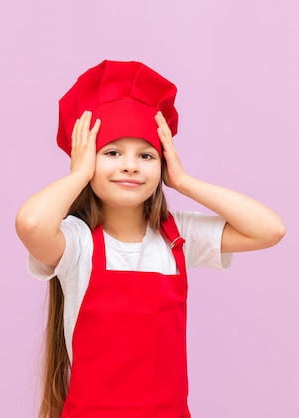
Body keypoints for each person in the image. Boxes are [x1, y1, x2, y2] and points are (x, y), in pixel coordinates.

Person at [15, 60, 285, 418]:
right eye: (112, 152)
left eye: (146, 155)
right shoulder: (76, 242)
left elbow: (269, 230)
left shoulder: (177, 236)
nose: (130, 165)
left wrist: (185, 182)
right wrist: (79, 172)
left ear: (163, 165)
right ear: (88, 160)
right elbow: (31, 223)